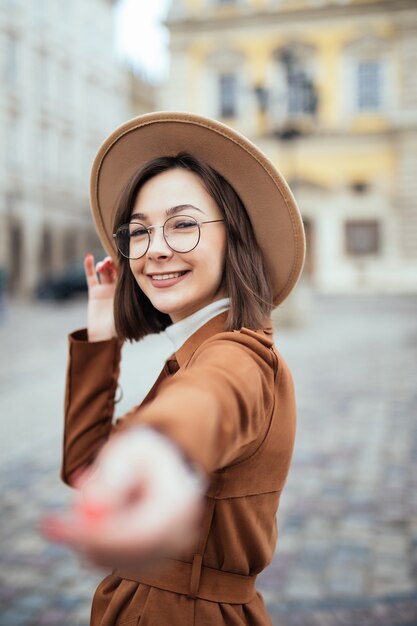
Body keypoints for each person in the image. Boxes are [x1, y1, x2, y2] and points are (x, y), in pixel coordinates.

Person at [44, 111, 306, 626]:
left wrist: (154, 453)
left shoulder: (238, 356)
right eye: (139, 231)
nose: (156, 248)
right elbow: (85, 467)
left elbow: (207, 403)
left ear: (235, 235)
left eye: (183, 224)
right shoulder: (195, 348)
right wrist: (101, 330)